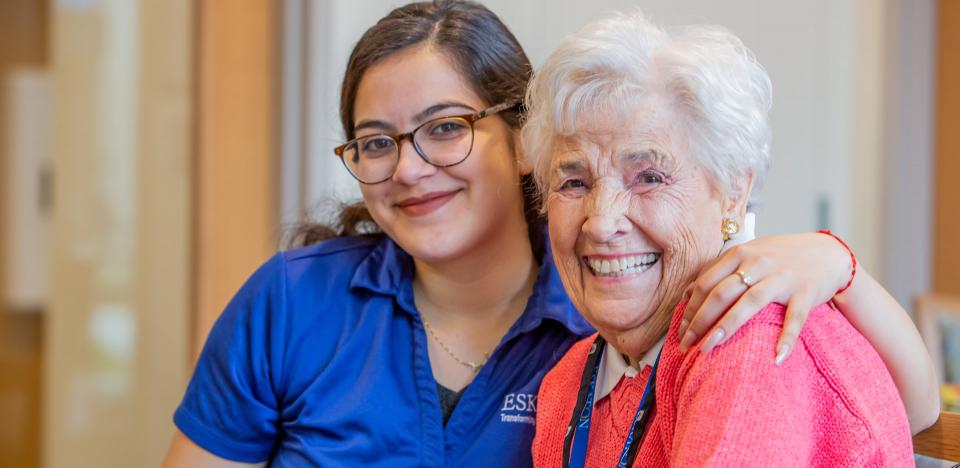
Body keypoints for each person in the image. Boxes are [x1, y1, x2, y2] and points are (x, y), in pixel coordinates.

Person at [162, 1, 937, 466]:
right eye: (375, 143)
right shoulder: (298, 301)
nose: (410, 169)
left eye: (446, 128)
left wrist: (837, 263)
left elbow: (908, 407)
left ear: (517, 141)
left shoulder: (639, 308)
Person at [525, 10, 933, 467]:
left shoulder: (750, 334)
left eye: (650, 177)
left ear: (733, 191)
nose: (601, 222)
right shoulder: (568, 383)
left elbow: (918, 406)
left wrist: (840, 260)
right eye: (574, 183)